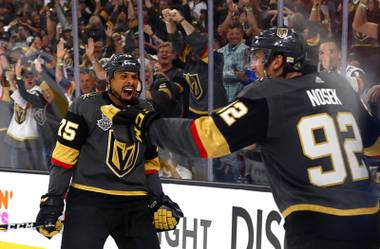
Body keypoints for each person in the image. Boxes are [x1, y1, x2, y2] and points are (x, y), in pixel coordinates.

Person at [111, 27, 380, 249]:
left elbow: (205, 138)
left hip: (318, 228)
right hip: (371, 219)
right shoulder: (340, 86)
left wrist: (146, 125)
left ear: (278, 61)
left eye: (261, 57)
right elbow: (372, 144)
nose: (255, 64)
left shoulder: (268, 95)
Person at [35, 54, 183, 249]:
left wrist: (158, 199)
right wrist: (54, 199)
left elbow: (149, 164)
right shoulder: (85, 105)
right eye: (123, 76)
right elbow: (64, 158)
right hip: (89, 201)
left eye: (133, 76)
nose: (130, 81)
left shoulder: (146, 109)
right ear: (109, 77)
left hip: (134, 203)